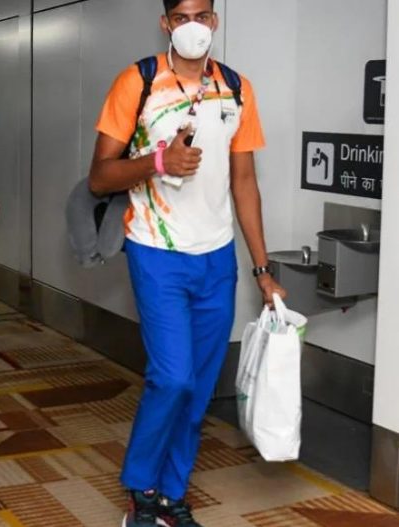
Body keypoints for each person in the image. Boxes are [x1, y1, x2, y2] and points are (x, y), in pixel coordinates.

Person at [88, 1, 287, 525]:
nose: (193, 26)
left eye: (202, 15)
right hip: (156, 251)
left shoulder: (236, 89)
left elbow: (245, 183)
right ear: (166, 24)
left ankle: (172, 496)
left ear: (215, 21)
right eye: (182, 17)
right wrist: (159, 161)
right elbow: (99, 177)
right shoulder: (138, 82)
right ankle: (140, 490)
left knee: (198, 388)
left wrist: (263, 270)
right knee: (172, 378)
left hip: (216, 258)